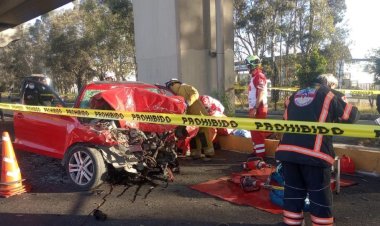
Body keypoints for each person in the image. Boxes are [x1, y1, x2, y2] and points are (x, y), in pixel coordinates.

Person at [275, 76, 360, 226]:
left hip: (289, 153)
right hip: (315, 156)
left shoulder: (294, 95)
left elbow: (286, 118)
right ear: (328, 85)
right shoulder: (328, 94)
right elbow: (351, 116)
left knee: (293, 194)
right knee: (320, 198)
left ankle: (291, 224)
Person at [165, 79, 215, 158]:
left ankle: (208, 152)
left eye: (170, 86)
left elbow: (195, 93)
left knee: (202, 133)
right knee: (193, 134)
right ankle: (196, 152)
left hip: (199, 114)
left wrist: (188, 102)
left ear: (173, 84)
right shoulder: (175, 94)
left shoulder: (184, 87)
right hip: (191, 117)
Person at [245, 55, 268, 158]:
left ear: (253, 65)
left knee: (257, 132)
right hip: (254, 108)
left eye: (249, 66)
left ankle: (260, 155)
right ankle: (256, 152)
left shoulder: (259, 76)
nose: (247, 68)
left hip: (258, 108)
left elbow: (261, 93)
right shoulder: (255, 77)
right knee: (253, 131)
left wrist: (255, 108)